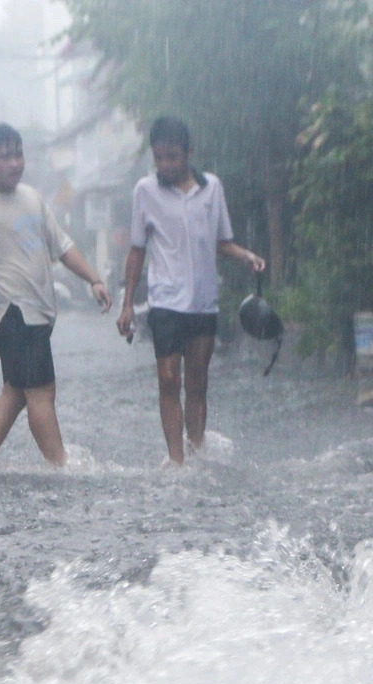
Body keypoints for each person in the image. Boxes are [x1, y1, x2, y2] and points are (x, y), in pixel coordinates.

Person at [0, 122, 110, 469]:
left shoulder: (32, 198)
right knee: (41, 393)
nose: (14, 163)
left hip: (37, 314)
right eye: (4, 156)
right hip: (13, 316)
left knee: (14, 394)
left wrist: (94, 279)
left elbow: (63, 245)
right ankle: (60, 467)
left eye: (18, 154)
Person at [115, 117, 266, 465]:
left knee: (197, 383)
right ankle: (177, 461)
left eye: (172, 157)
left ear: (189, 153)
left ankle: (197, 452)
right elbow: (137, 250)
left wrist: (246, 256)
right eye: (159, 158)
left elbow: (221, 241)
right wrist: (126, 305)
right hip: (165, 301)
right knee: (168, 379)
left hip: (203, 303)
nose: (165, 165)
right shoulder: (145, 192)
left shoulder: (212, 188)